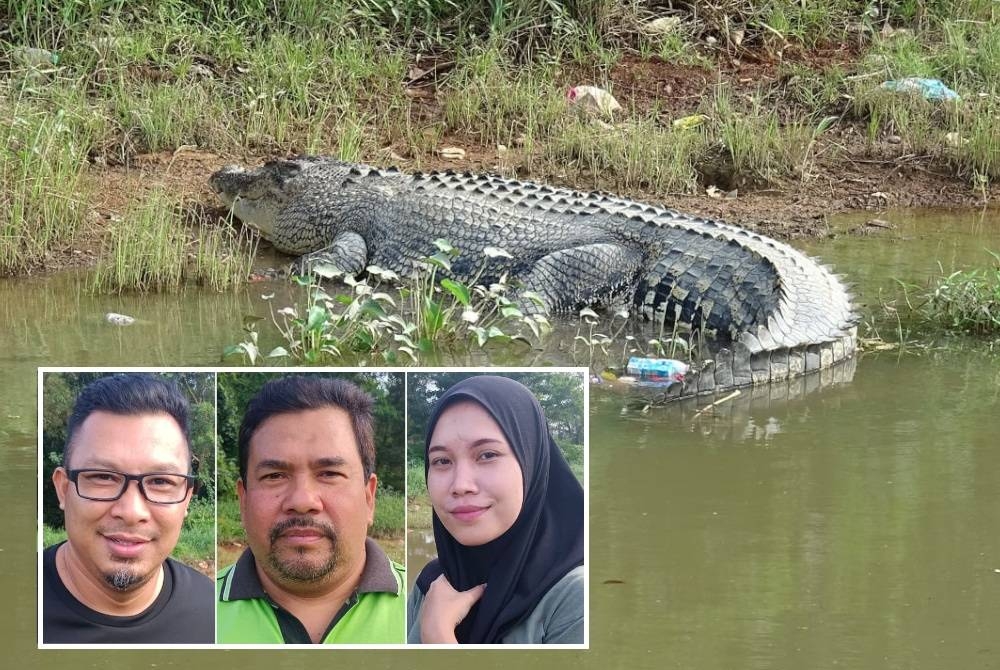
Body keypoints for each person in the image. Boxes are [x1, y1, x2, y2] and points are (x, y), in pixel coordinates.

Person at [216, 375, 406, 644]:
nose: (302, 501)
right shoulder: (197, 619)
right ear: (243, 500)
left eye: (329, 473)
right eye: (274, 476)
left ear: (369, 497)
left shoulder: (422, 607)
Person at [408, 375, 585, 644]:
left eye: (487, 455)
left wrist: (439, 639)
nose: (460, 485)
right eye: (442, 460)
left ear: (531, 464)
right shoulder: (433, 584)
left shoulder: (575, 599)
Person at [43, 373, 214, 644]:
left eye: (160, 481)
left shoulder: (214, 617)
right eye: (103, 477)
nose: (132, 511)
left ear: (186, 499)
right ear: (63, 489)